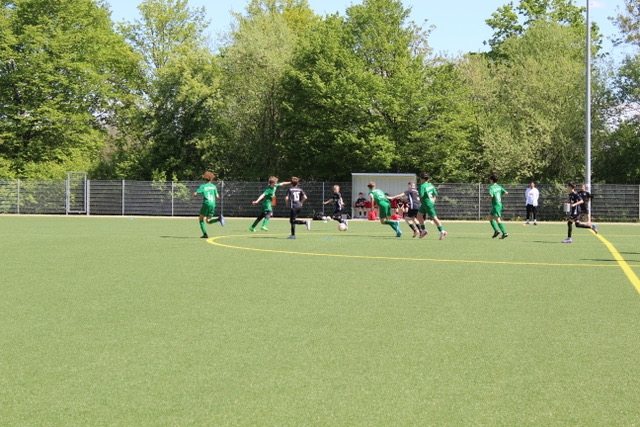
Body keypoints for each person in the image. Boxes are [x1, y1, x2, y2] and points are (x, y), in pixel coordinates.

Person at [193, 171, 225, 238]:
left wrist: (194, 194)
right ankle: (218, 219)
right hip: (213, 204)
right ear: (211, 179)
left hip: (206, 203)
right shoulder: (214, 186)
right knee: (208, 221)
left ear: (205, 178)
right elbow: (217, 196)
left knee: (201, 219)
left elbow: (196, 194)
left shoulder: (203, 186)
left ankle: (205, 234)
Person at [416, 173, 447, 240]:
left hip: (427, 204)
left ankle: (442, 231)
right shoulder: (430, 185)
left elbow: (421, 195)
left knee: (434, 218)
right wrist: (433, 201)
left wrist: (415, 195)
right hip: (426, 204)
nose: (420, 179)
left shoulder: (422, 186)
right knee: (419, 216)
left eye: (420, 178)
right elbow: (435, 194)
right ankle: (424, 230)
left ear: (422, 179)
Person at [488, 173, 509, 239]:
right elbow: (506, 192)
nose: (489, 181)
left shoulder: (491, 187)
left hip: (496, 205)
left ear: (492, 180)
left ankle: (505, 233)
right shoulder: (499, 187)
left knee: (498, 219)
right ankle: (496, 231)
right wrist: (499, 195)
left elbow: (491, 195)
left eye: (490, 179)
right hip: (499, 204)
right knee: (490, 218)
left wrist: (487, 199)